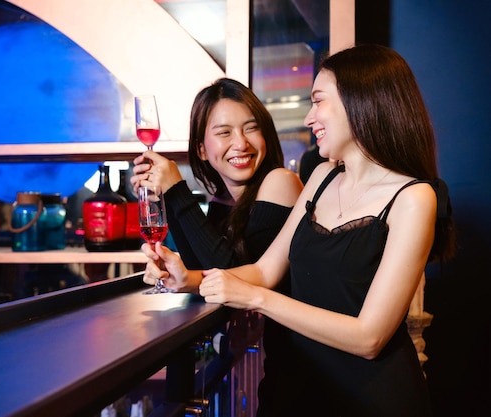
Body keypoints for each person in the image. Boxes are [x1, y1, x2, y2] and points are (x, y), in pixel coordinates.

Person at [141, 45, 456, 416]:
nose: (309, 118)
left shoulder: (414, 197)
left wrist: (257, 299)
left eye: (318, 101)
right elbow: (264, 271)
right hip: (295, 389)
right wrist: (188, 279)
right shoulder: (322, 177)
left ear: (360, 101)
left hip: (370, 398)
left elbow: (370, 337)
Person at [131, 78, 303, 412]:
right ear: (200, 149)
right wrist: (170, 266)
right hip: (281, 367)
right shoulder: (225, 201)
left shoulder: (281, 182)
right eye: (224, 133)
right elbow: (202, 270)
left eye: (251, 128)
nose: (240, 143)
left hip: (310, 372)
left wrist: (178, 188)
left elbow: (231, 276)